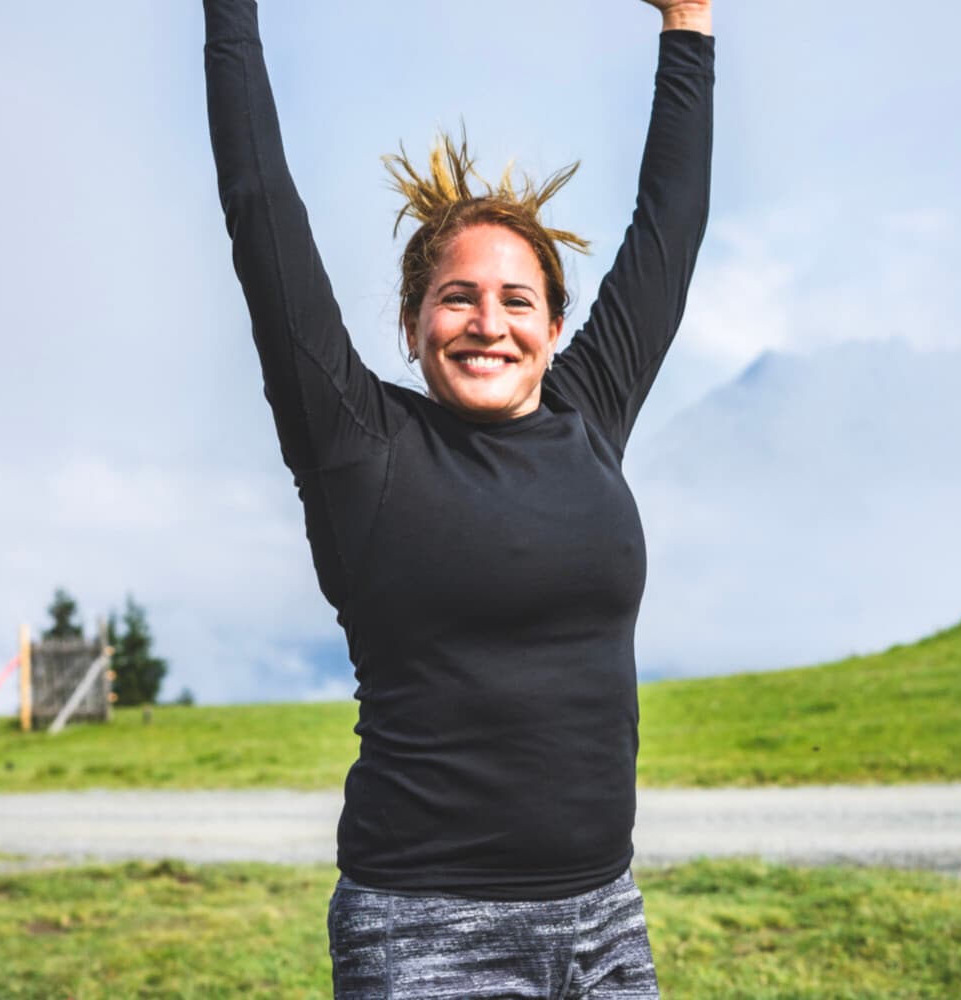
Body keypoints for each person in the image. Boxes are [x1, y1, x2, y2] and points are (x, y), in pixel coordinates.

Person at [204, 0, 714, 995]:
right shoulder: (359, 446)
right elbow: (261, 205)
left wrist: (688, 26)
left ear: (557, 326)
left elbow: (670, 226)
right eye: (457, 296)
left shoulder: (589, 413)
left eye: (518, 299)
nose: (489, 322)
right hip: (425, 932)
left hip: (606, 916)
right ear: (411, 323)